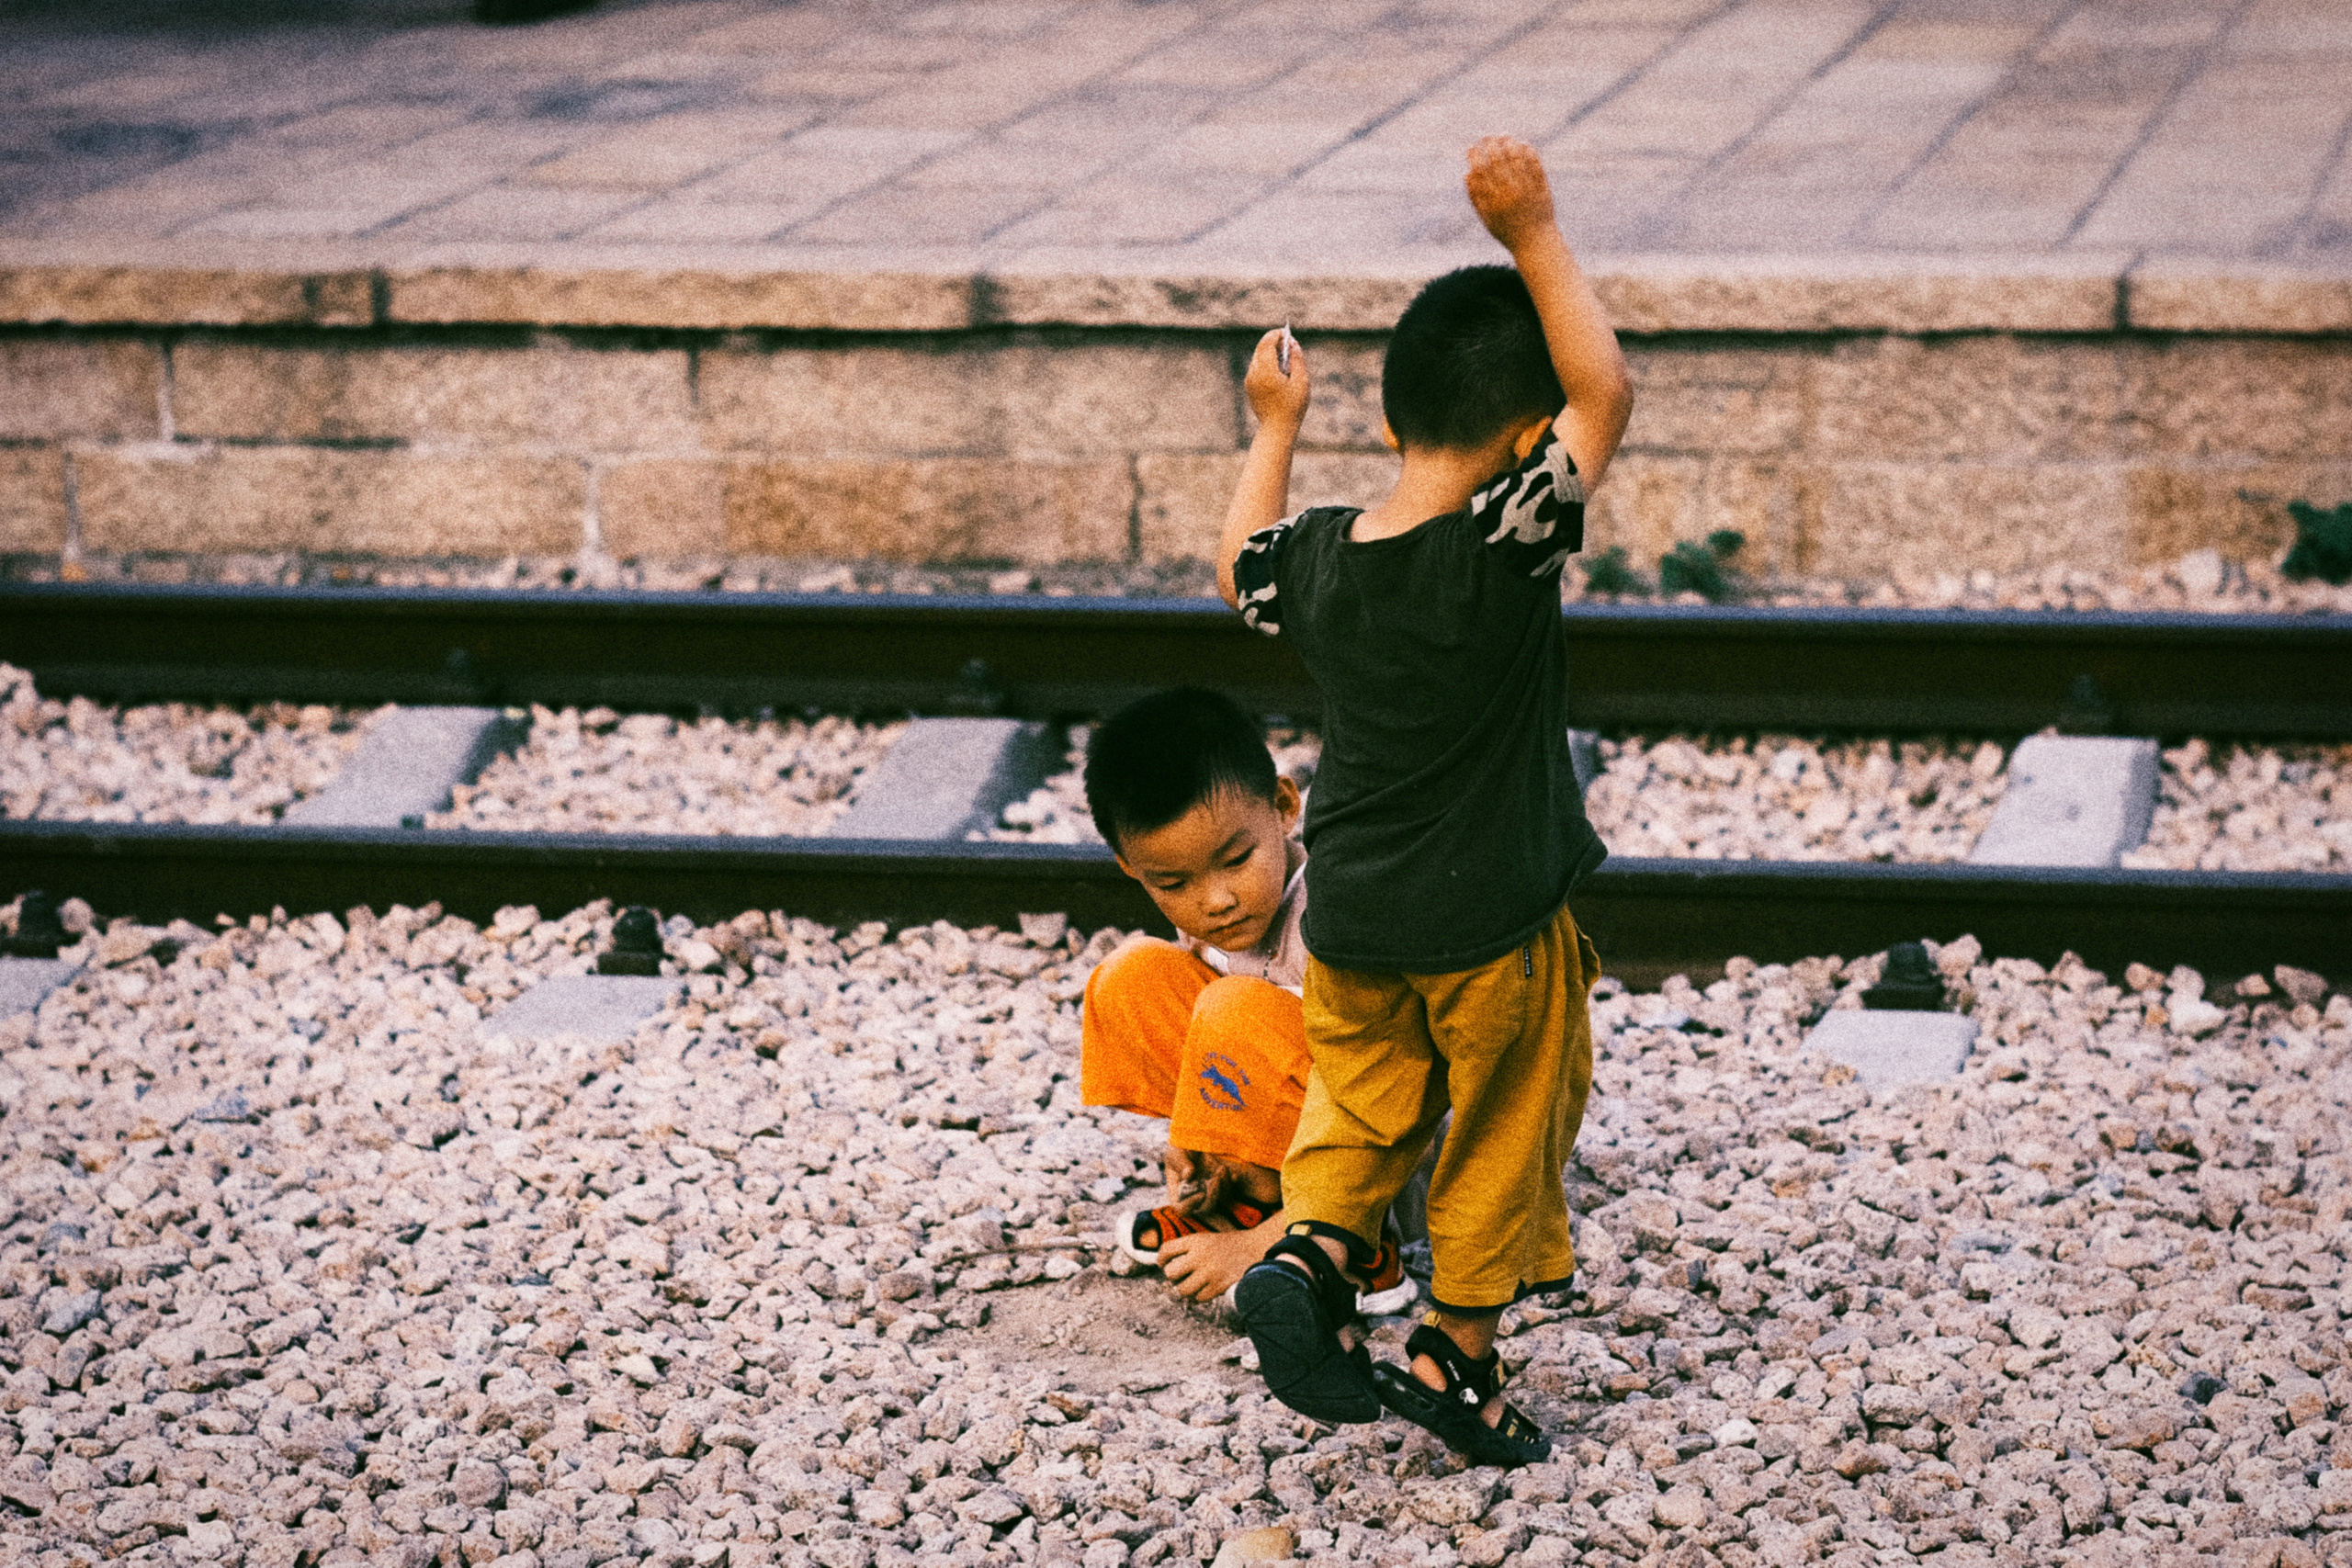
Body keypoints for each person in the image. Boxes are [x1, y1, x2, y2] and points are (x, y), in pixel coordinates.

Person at [1212, 135, 1633, 1468]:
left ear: (1389, 425)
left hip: (1350, 913)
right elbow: (1604, 392)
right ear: (1523, 443)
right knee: (1510, 1117)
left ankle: (1320, 1251)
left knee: (1357, 1100)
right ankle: (1456, 1344)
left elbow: (1240, 566)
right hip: (1491, 923)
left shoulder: (1328, 560)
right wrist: (1535, 230)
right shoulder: (1508, 541)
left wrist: (1273, 430)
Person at [1078, 687, 1415, 1314]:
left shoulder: (1334, 917)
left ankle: (1351, 1250)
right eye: (1173, 882)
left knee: (1234, 1006)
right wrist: (1196, 1143)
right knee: (1132, 976)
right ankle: (1234, 1188)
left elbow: (1394, 1090)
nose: (1215, 901)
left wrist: (1271, 1235)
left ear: (1285, 806)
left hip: (1372, 1156)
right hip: (1287, 1108)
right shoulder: (1216, 912)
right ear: (1131, 867)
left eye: (1236, 860)